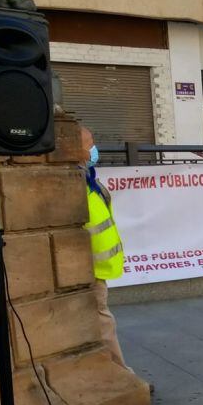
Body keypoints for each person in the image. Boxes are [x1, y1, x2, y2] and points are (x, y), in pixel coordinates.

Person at [80, 127, 130, 370]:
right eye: (90, 143)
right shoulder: (74, 182)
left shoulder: (89, 177)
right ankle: (119, 375)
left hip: (97, 268)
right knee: (102, 323)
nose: (94, 149)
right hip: (87, 269)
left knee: (102, 321)